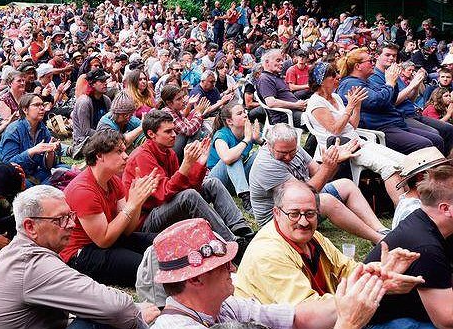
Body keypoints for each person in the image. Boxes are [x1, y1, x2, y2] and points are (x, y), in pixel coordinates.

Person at [0, 185, 160, 329]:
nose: (72, 224)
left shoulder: (16, 250)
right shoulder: (34, 265)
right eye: (61, 219)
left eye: (70, 215)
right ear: (30, 227)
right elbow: (116, 308)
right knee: (107, 318)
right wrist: (137, 314)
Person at [149, 218, 386, 329]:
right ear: (195, 278)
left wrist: (357, 290)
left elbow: (295, 317)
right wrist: (347, 324)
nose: (232, 269)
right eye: (223, 265)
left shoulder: (221, 306)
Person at [235, 180, 422, 306]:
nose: (303, 221)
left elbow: (347, 269)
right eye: (294, 214)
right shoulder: (268, 253)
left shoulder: (313, 238)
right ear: (276, 213)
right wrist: (375, 287)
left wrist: (379, 272)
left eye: (310, 213)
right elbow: (308, 310)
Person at [124, 110, 254, 243]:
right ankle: (232, 242)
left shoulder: (169, 153)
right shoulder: (141, 157)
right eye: (168, 132)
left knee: (212, 183)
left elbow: (183, 188)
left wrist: (199, 165)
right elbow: (165, 195)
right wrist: (185, 165)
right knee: (189, 196)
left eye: (174, 130)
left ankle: (242, 229)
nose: (174, 135)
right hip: (146, 221)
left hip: (165, 206)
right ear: (151, 134)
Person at [248, 123, 391, 244]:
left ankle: (380, 229)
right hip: (277, 218)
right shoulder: (265, 164)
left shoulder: (294, 149)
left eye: (292, 151)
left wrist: (333, 162)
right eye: (282, 153)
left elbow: (321, 175)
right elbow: (303, 196)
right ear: (268, 145)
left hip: (299, 205)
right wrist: (327, 167)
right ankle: (379, 240)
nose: (288, 156)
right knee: (326, 201)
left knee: (346, 185)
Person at [61, 129, 159, 287]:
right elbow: (104, 240)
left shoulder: (113, 180)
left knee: (161, 243)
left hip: (107, 240)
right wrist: (132, 204)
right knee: (148, 268)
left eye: (124, 150)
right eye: (119, 151)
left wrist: (138, 202)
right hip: (82, 253)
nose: (126, 156)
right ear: (99, 155)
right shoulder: (83, 190)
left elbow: (127, 230)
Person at [364, 164, 453, 329]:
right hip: (380, 323)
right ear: (446, 209)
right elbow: (447, 321)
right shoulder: (426, 246)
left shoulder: (427, 221)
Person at [306, 61, 406, 203]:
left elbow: (353, 125)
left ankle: (410, 203)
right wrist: (350, 106)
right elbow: (335, 130)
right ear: (322, 81)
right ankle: (402, 208)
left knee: (402, 162)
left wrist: (357, 106)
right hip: (340, 148)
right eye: (333, 75)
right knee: (390, 168)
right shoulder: (316, 102)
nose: (338, 77)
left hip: (357, 141)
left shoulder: (336, 97)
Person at [336, 47, 440, 155]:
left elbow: (391, 100)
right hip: (380, 128)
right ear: (358, 66)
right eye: (370, 61)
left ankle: (441, 170)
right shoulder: (350, 84)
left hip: (394, 123)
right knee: (426, 144)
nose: (373, 63)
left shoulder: (366, 81)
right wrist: (390, 83)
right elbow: (377, 102)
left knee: (436, 139)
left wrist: (393, 82)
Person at [370, 43, 453, 156]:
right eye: (387, 55)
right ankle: (433, 169)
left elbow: (410, 100)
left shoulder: (394, 73)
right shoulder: (374, 77)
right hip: (401, 116)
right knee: (434, 134)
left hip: (413, 113)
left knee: (448, 128)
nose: (391, 58)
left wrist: (416, 85)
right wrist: (410, 86)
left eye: (394, 56)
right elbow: (391, 102)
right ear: (377, 56)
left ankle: (445, 163)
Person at [0, 93, 66, 186]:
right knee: (25, 184)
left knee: (64, 169)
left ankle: (44, 186)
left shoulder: (42, 128)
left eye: (42, 105)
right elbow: (8, 165)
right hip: (10, 174)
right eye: (36, 105)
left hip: (32, 171)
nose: (42, 108)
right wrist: (32, 151)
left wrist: (50, 152)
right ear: (25, 110)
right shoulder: (13, 130)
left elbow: (48, 166)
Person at [207, 101, 261, 211]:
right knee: (233, 158)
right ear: (229, 121)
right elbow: (226, 158)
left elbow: (272, 148)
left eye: (244, 112)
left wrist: (259, 140)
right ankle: (246, 199)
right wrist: (247, 139)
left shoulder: (247, 130)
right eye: (239, 113)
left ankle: (263, 188)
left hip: (237, 180)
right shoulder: (221, 135)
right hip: (218, 182)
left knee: (262, 153)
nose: (245, 115)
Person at [71, 68, 113, 150]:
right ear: (92, 84)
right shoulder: (84, 102)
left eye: (105, 81)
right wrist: (108, 136)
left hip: (102, 136)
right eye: (101, 81)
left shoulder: (106, 100)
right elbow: (86, 131)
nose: (105, 84)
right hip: (84, 141)